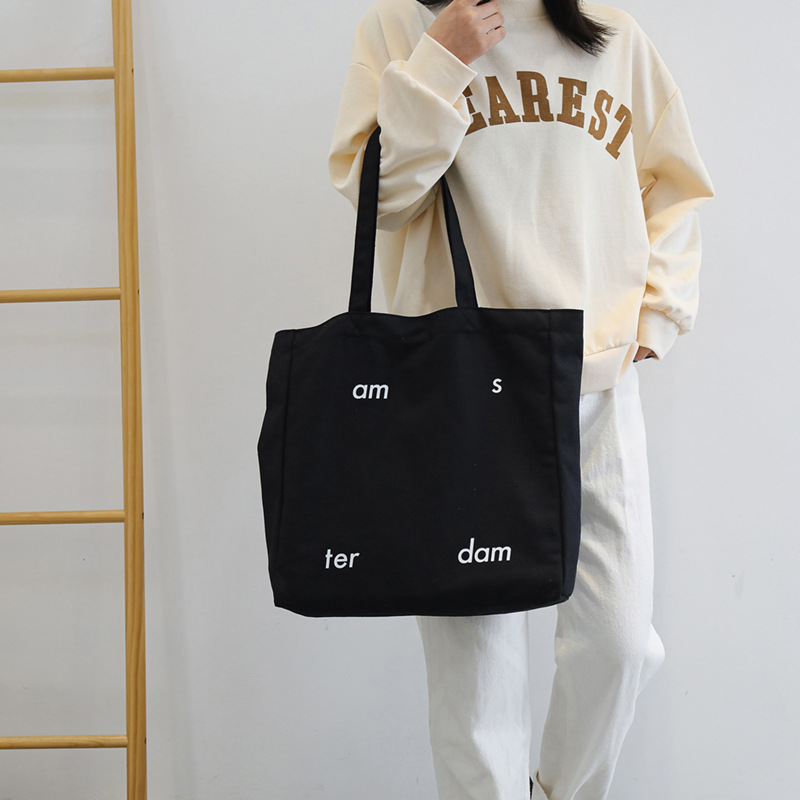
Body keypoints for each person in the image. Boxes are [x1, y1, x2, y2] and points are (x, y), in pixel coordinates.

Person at [328, 1, 713, 798]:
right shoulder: (401, 27)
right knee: (477, 684)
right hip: (459, 395)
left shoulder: (610, 32)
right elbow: (380, 199)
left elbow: (672, 185)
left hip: (592, 385)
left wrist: (656, 317)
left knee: (620, 644)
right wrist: (441, 59)